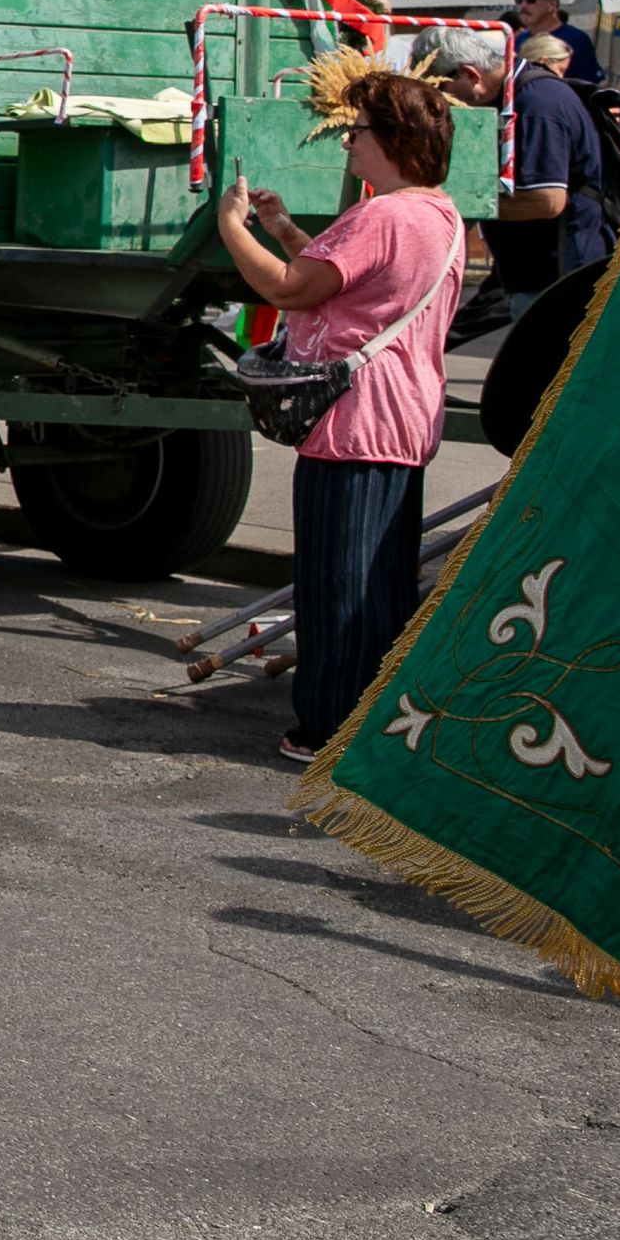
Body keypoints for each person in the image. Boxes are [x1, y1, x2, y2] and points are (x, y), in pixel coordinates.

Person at [214, 70, 464, 765]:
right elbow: (348, 278)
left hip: (354, 421)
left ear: (393, 141)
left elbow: (291, 289)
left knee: (338, 584)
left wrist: (232, 228)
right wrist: (283, 226)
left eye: (358, 131)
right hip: (404, 416)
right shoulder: (438, 214)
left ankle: (328, 726)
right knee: (380, 580)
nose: (348, 142)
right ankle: (376, 716)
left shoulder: (383, 214)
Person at [474, 32, 607, 319]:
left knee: (549, 358)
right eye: (561, 68)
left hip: (554, 270)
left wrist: (469, 203)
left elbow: (547, 200)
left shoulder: (537, 103)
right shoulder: (530, 97)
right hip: (544, 267)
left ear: (470, 73)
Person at [508, 0, 599, 87]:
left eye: (531, 0)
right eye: (520, 0)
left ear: (552, 4)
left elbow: (588, 86)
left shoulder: (577, 40)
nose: (523, 5)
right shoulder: (520, 39)